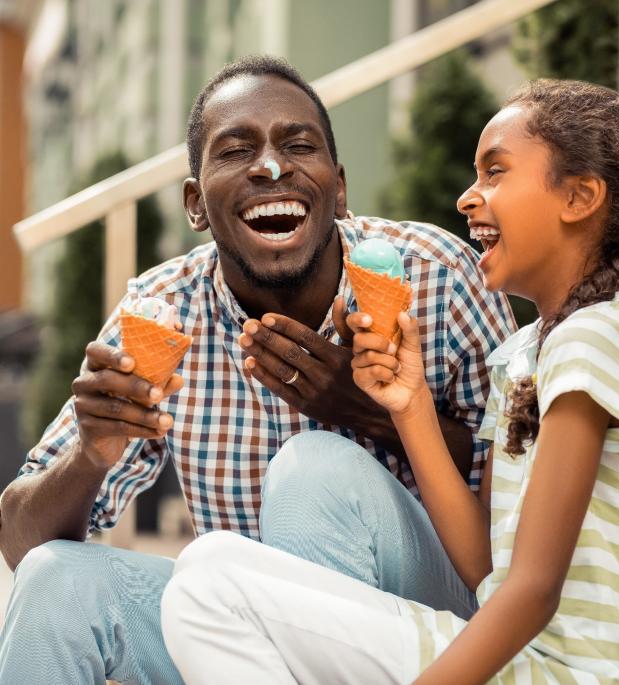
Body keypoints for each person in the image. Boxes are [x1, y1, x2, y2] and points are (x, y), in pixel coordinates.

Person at [0, 55, 515, 685]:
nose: (272, 167)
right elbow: (20, 542)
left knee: (312, 469)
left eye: (299, 145)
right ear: (195, 204)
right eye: (236, 150)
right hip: (235, 636)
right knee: (57, 579)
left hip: (429, 623)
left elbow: (523, 492)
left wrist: (368, 414)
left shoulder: (436, 274)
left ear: (340, 187)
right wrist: (90, 455)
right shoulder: (164, 312)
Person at [161, 79, 619, 685]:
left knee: (207, 589)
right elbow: (489, 566)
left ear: (580, 197)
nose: (468, 197)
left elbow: (534, 592)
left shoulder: (597, 340)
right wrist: (407, 407)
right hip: (518, 662)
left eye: (495, 172)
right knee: (211, 565)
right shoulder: (527, 355)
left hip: (562, 674)